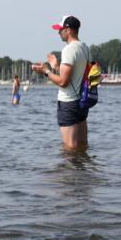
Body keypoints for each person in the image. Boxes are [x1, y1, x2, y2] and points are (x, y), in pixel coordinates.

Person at [31, 15, 93, 152]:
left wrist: (46, 71)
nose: (58, 32)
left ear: (69, 30)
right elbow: (75, 75)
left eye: (61, 29)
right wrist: (56, 67)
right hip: (82, 102)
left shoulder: (69, 50)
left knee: (70, 148)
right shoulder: (85, 48)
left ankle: (68, 174)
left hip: (68, 103)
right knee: (82, 146)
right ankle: (84, 173)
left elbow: (64, 82)